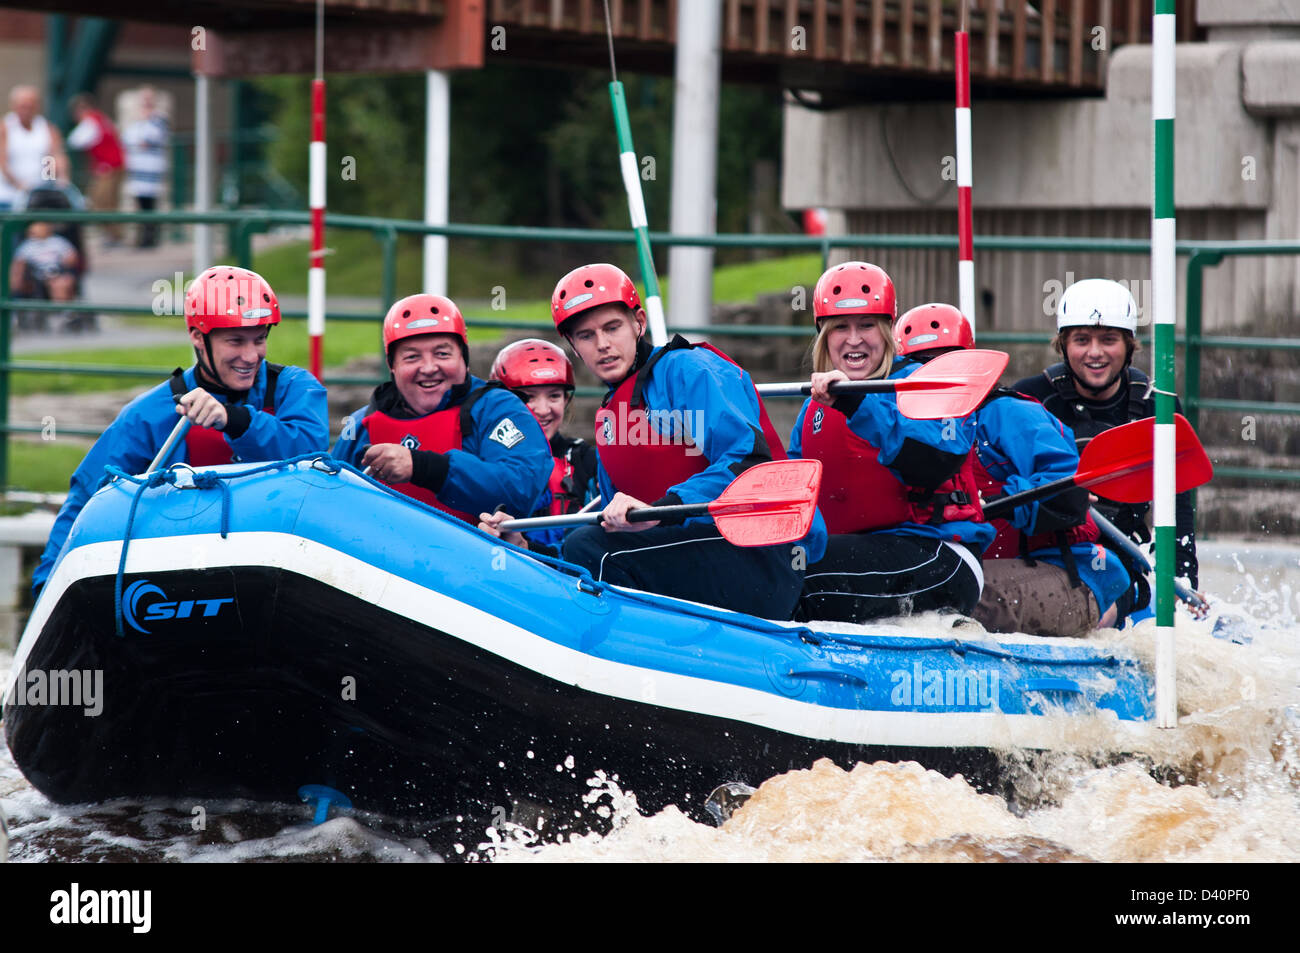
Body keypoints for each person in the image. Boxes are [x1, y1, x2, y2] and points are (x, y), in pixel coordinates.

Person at [541, 262, 821, 620]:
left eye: (612, 328)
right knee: (578, 547)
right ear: (573, 347)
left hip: (755, 558)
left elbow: (749, 461)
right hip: (686, 555)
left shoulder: (689, 369)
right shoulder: (609, 415)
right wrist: (530, 548)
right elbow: (616, 525)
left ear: (637, 322)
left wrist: (661, 511)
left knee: (589, 549)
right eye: (586, 336)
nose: (603, 345)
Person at [33, 265, 330, 596]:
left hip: (277, 574)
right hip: (189, 578)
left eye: (259, 340)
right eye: (235, 341)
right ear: (198, 337)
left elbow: (310, 454)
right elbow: (87, 498)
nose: (250, 356)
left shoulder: (294, 388)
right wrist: (49, 584)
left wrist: (234, 419)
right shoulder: (148, 415)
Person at [896, 302, 1134, 636]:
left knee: (938, 596)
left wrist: (1004, 501)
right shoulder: (895, 428)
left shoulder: (1008, 414)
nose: (938, 376)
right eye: (920, 366)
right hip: (974, 565)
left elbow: (1066, 490)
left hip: (1064, 570)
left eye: (950, 362)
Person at [790, 262, 992, 624]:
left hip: (939, 554)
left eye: (867, 325)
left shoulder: (924, 384)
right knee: (772, 566)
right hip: (863, 552)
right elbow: (793, 491)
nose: (854, 339)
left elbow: (933, 461)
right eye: (840, 327)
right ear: (824, 336)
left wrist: (856, 404)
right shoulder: (812, 409)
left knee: (798, 578)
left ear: (887, 333)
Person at [1012, 279, 1199, 605]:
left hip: (1123, 553)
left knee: (1115, 598)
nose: (1095, 353)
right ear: (1063, 345)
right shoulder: (1029, 399)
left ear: (1129, 346)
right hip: (1047, 550)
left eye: (1109, 340)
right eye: (1081, 340)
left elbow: (1177, 505)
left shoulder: (1158, 406)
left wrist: (1183, 577)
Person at [333, 294, 552, 523]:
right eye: (411, 357)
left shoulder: (496, 409)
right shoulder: (363, 423)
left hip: (472, 554)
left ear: (463, 359)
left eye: (442, 354)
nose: (428, 368)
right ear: (392, 365)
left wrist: (425, 468)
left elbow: (521, 490)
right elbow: (329, 500)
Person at [480, 338, 599, 552]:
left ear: (566, 400)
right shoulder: (484, 462)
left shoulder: (587, 460)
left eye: (554, 396)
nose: (543, 410)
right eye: (529, 398)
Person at [67, 93, 126, 245]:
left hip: (107, 168)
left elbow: (75, 141)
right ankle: (113, 235)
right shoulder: (101, 118)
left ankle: (114, 236)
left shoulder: (91, 120)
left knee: (101, 204)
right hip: (113, 166)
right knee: (107, 203)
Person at [0, 86, 69, 211]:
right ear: (14, 106)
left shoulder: (48, 128)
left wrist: (58, 180)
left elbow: (54, 157)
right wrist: (20, 185)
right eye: (22, 106)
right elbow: (3, 163)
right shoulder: (5, 128)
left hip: (38, 197)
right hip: (7, 195)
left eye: (30, 106)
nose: (26, 111)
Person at [121, 87, 169, 249]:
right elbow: (128, 139)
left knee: (150, 206)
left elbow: (147, 139)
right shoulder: (137, 121)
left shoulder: (159, 120)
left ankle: (150, 239)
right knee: (140, 206)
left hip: (151, 170)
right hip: (138, 170)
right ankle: (142, 238)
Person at [9, 219, 79, 315]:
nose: (36, 229)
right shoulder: (27, 245)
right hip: (35, 275)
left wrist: (62, 266)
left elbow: (72, 258)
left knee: (61, 283)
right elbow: (19, 264)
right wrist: (16, 281)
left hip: (57, 273)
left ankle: (64, 315)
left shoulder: (58, 241)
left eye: (40, 226)